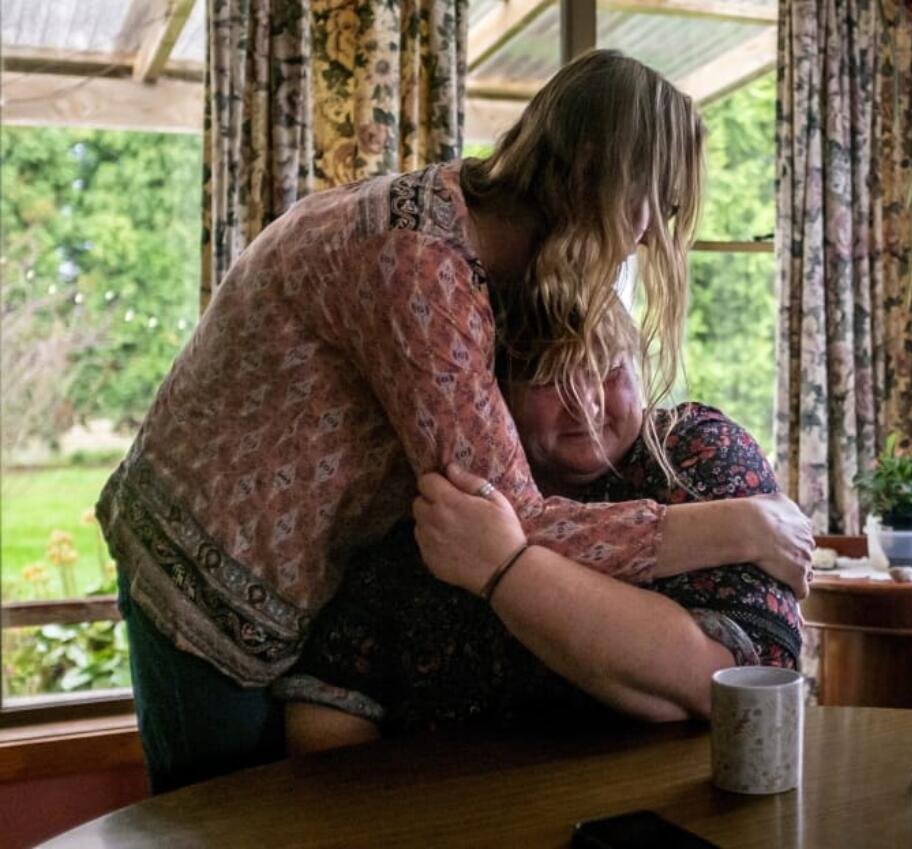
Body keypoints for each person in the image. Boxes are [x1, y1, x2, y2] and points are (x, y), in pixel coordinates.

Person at [96, 49, 814, 793]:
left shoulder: (464, 238)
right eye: (651, 204)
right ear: (593, 168)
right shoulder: (421, 267)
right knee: (216, 818)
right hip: (205, 578)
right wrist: (745, 525)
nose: (645, 236)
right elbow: (505, 525)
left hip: (263, 571)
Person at [277, 307, 805, 751]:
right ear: (492, 395)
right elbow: (328, 702)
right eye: (549, 376)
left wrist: (505, 569)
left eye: (608, 368)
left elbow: (719, 681)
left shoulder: (695, 454)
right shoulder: (449, 476)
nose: (588, 402)